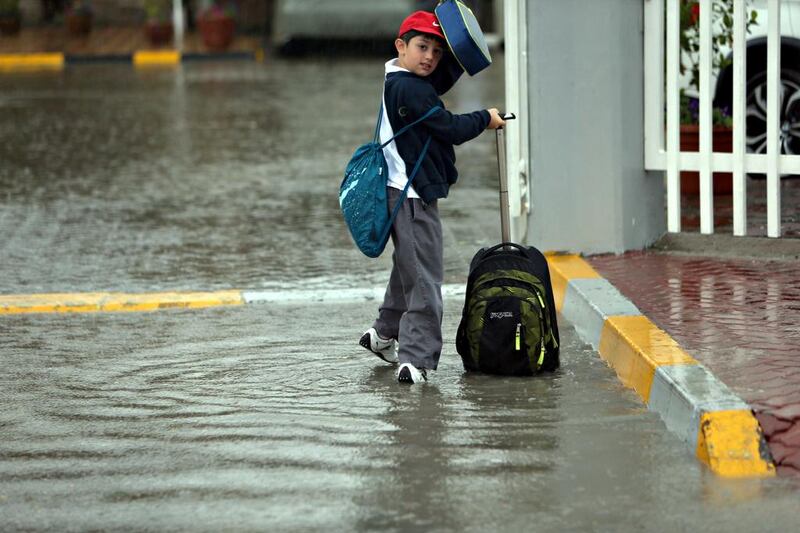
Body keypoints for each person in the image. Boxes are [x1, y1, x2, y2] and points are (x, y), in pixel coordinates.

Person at [359, 10, 505, 384]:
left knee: (409, 264)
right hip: (410, 197)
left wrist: (460, 49)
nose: (430, 58)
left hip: (398, 191)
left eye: (438, 52)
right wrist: (485, 118)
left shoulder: (399, 78)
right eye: (423, 47)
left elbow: (435, 82)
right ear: (401, 45)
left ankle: (384, 332)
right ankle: (416, 359)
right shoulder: (411, 90)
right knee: (424, 277)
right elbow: (450, 128)